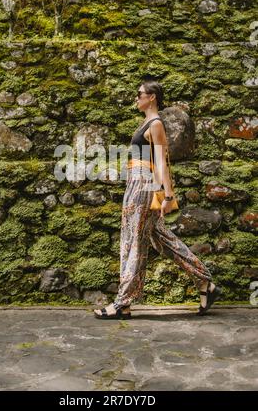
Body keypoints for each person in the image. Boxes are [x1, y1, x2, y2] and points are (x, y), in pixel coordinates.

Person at [94, 80, 222, 319]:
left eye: (139, 94)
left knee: (133, 242)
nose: (136, 98)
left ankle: (123, 303)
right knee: (163, 239)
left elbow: (161, 161)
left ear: (152, 97)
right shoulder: (147, 123)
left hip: (143, 187)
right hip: (138, 184)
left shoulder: (156, 124)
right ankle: (205, 283)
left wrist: (169, 195)